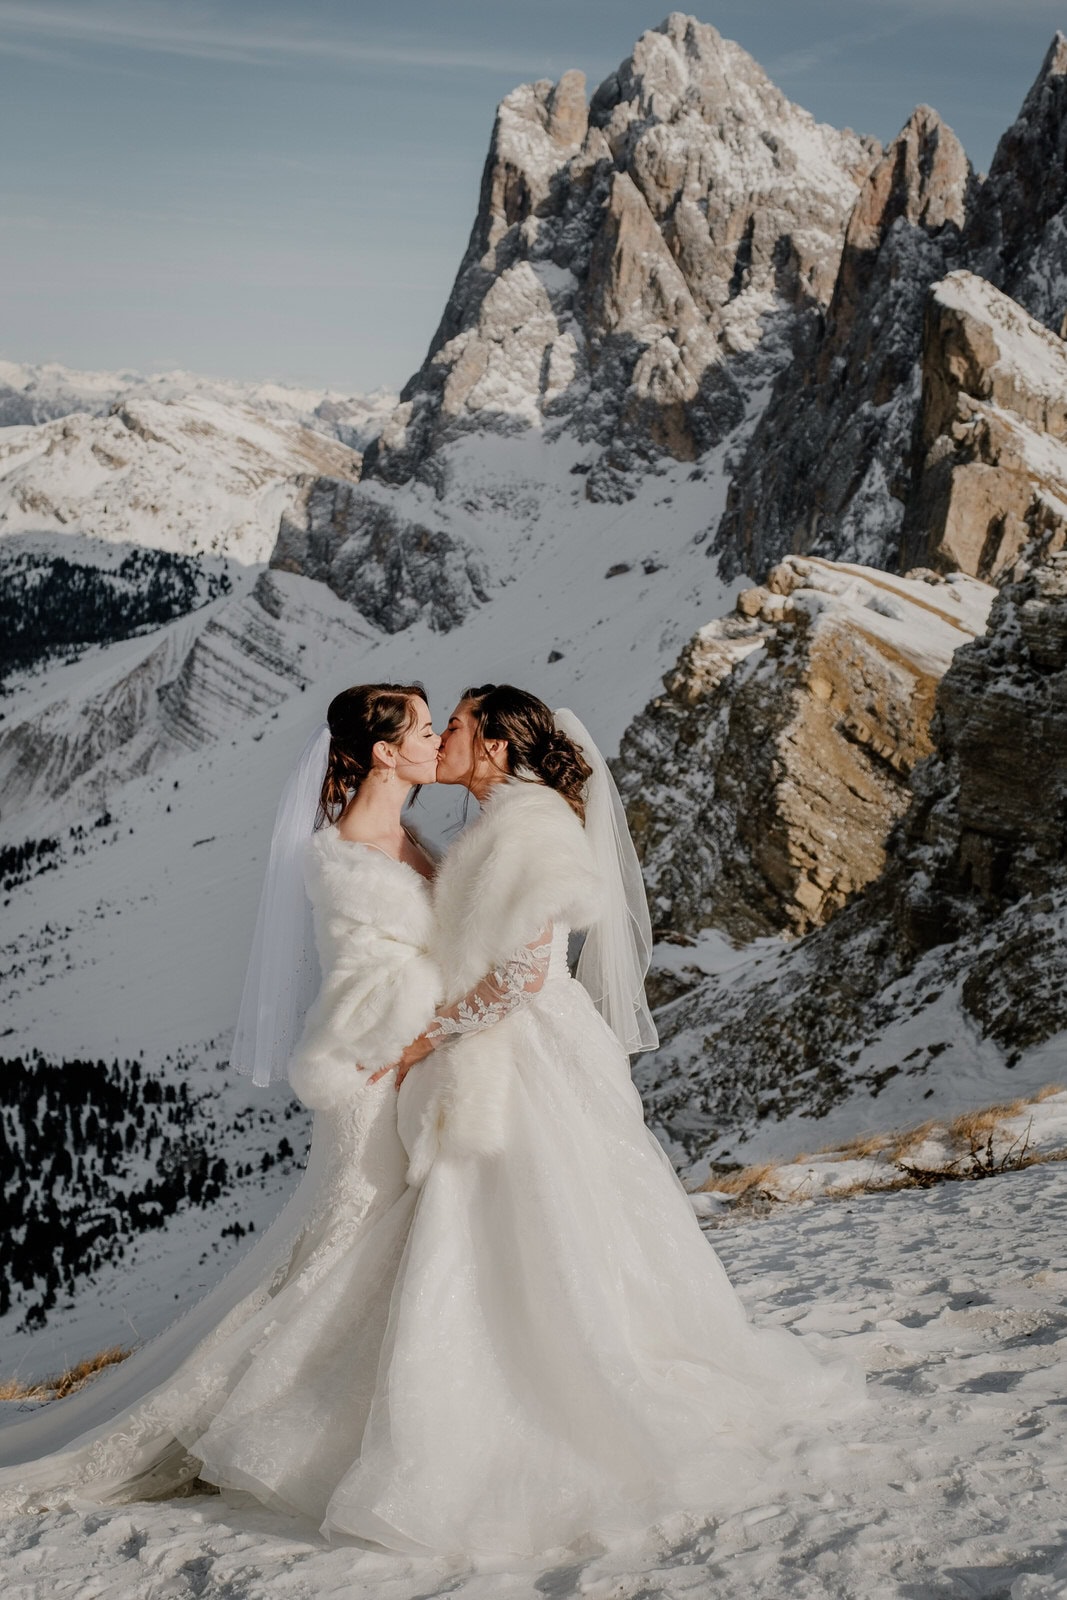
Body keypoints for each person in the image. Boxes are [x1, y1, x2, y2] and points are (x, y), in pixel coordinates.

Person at [0, 681, 863, 1557]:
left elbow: (517, 974)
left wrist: (419, 1046)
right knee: (458, 1235)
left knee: (530, 1226)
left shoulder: (511, 829)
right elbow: (417, 953)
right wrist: (408, 1040)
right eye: (426, 725)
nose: (440, 735)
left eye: (450, 724)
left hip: (512, 1057)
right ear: (384, 753)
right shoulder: (405, 840)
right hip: (478, 1057)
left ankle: (500, 1395)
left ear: (491, 746)